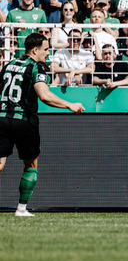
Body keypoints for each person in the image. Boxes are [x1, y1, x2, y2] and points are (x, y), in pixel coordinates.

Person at [1, 33, 86, 216]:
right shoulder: (36, 67)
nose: (48, 53)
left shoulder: (9, 64)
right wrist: (70, 104)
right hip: (24, 120)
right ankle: (22, 209)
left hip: (1, 118)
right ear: (35, 50)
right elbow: (45, 96)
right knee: (31, 164)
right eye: (46, 50)